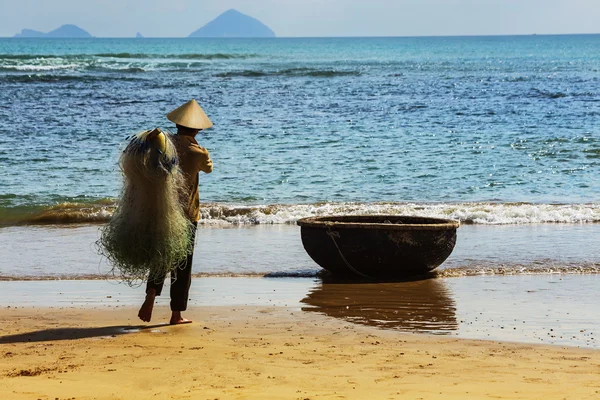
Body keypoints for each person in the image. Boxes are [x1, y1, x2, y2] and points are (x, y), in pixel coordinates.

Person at [138, 99, 213, 325]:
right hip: (187, 214)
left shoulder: (164, 144)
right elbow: (209, 168)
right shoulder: (197, 152)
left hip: (163, 210)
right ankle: (176, 314)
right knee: (183, 264)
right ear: (197, 129)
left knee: (161, 256)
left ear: (178, 125)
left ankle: (151, 293)